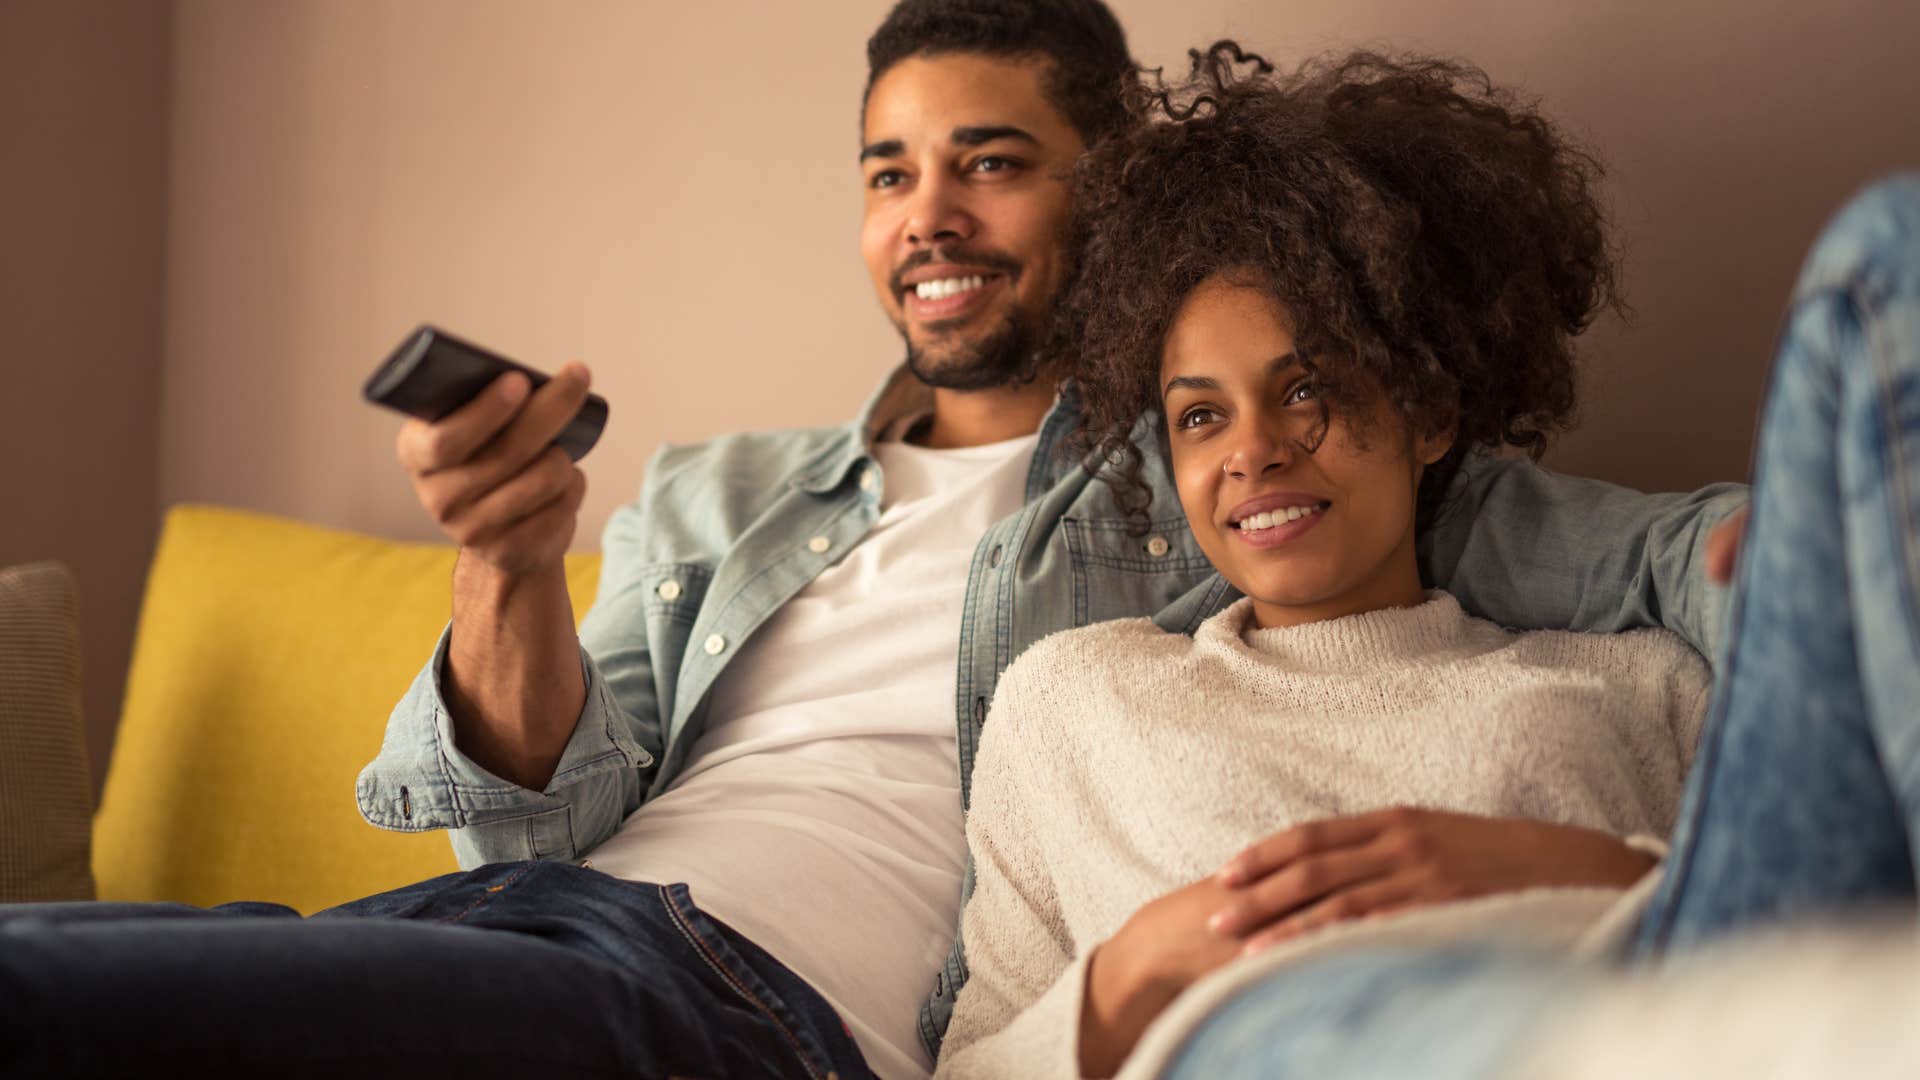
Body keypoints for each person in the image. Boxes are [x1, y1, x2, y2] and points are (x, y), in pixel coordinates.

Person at [0, 5, 1745, 1079]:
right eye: (888, 171)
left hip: (750, 1007)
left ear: (1111, 185)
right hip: (531, 936)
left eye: (988, 162)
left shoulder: (1217, 465)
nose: (929, 213)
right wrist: (509, 568)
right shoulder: (717, 494)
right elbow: (534, 812)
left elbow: (1684, 568)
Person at [933, 45, 1919, 1080]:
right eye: (1200, 415)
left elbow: (1766, 914)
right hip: (1281, 1029)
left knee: (1888, 249)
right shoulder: (1071, 701)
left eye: (1306, 387)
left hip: (1654, 991)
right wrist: (1124, 976)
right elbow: (968, 1064)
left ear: (1430, 411)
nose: (1251, 450)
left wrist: (1565, 869)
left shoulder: (1643, 682)